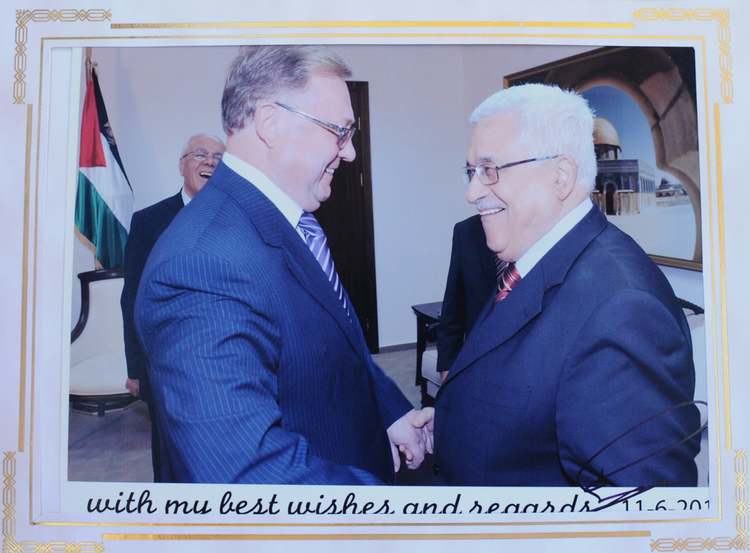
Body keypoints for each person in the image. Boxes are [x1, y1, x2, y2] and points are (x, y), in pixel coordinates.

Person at [135, 46, 429, 485]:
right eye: (339, 131)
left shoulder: (288, 220)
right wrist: (396, 508)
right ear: (270, 122)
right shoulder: (201, 266)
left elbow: (336, 346)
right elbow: (246, 474)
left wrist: (391, 411)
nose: (350, 152)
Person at [433, 83, 701, 487]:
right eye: (472, 171)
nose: (472, 192)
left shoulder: (624, 310)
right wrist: (452, 424)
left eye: (490, 170)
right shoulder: (530, 259)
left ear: (560, 177)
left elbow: (641, 510)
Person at [120, 133, 225, 481]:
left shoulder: (237, 218)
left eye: (218, 158)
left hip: (224, 362)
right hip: (165, 365)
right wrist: (136, 367)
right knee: (170, 461)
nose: (210, 162)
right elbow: (132, 297)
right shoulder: (148, 221)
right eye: (200, 155)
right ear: (182, 165)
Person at [436, 215, 496, 379]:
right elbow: (453, 304)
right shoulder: (467, 231)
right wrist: (447, 365)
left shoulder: (543, 227)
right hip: (477, 362)